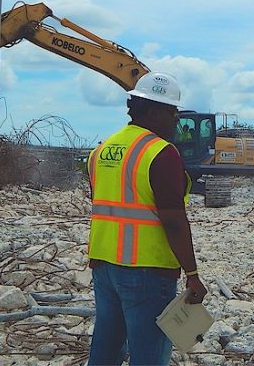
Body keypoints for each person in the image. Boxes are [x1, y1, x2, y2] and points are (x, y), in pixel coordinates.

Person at [86, 71, 208, 366]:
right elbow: (174, 220)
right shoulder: (161, 153)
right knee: (149, 356)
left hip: (104, 265)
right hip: (147, 270)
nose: (176, 119)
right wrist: (192, 274)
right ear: (153, 111)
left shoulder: (102, 150)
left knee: (105, 351)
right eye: (171, 111)